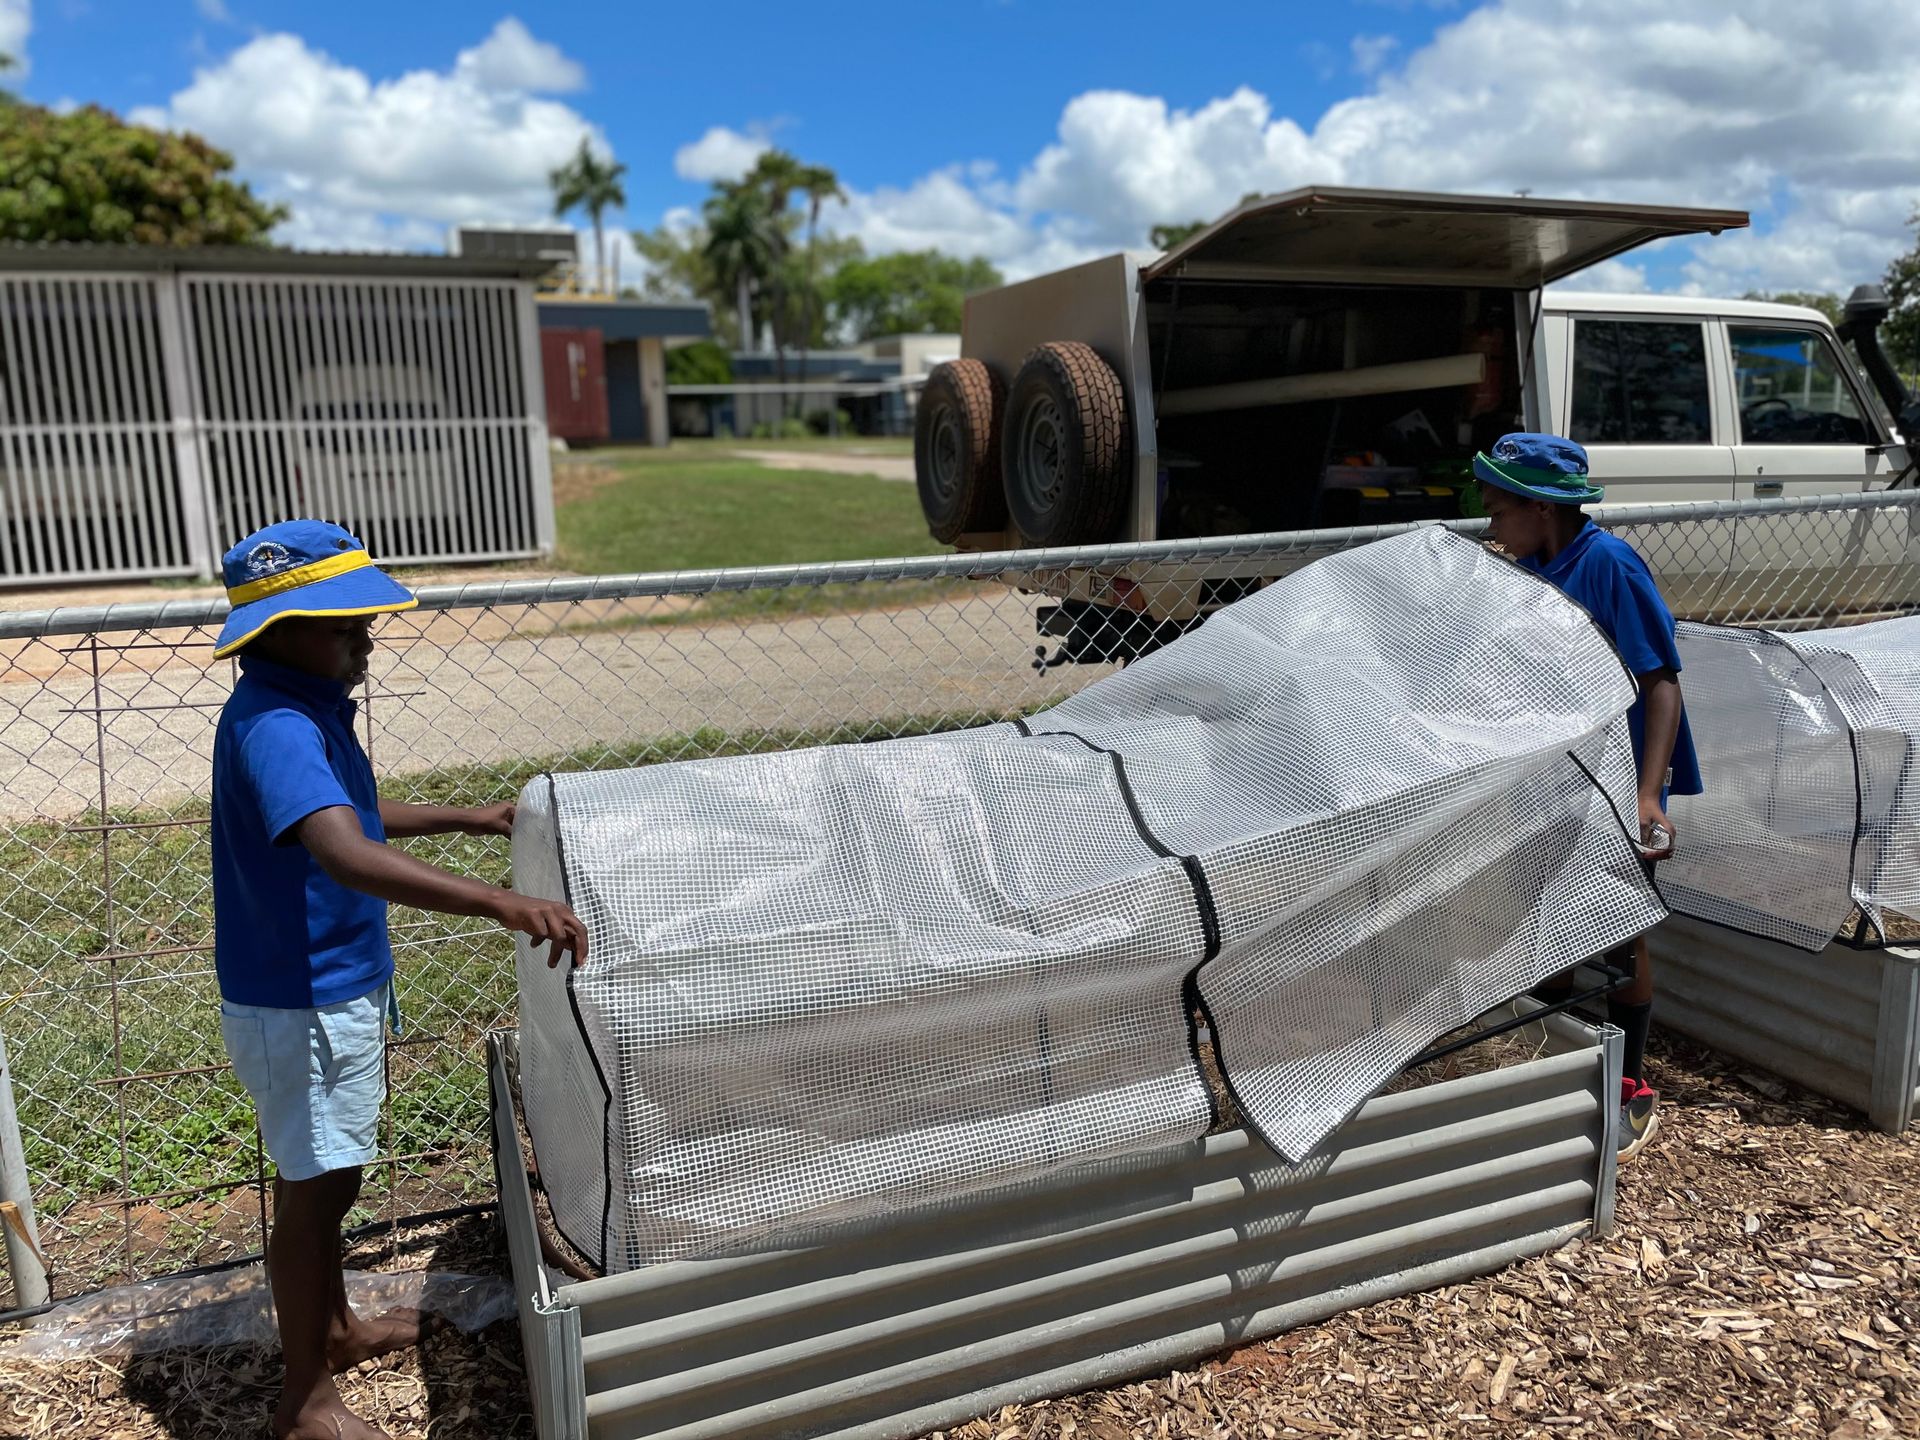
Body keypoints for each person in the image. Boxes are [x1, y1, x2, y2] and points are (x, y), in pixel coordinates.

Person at [209, 520, 588, 1440]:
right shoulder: (278, 727)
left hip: (321, 987)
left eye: (365, 624)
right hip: (300, 999)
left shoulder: (297, 708)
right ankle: (305, 1399)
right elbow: (343, 851)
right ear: (277, 631)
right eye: (344, 627)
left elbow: (350, 812)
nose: (365, 640)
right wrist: (497, 903)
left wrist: (463, 816)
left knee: (326, 1180)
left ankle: (333, 1331)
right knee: (317, 1191)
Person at [1475, 433, 1703, 1164]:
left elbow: (1661, 680)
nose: (1490, 526)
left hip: (1621, 777)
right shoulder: (1533, 566)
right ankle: (1559, 1066)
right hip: (1560, 773)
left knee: (1615, 929)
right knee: (1545, 918)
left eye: (1498, 509)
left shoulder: (1606, 564)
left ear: (1541, 509)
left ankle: (1630, 1085)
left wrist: (1647, 796)